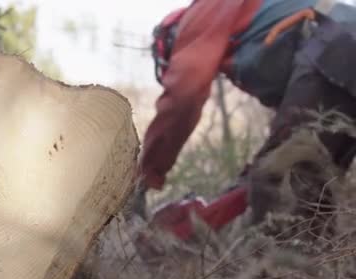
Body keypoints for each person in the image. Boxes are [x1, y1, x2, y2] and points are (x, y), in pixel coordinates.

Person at [139, 0, 356, 230]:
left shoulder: (200, 14)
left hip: (336, 46)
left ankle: (287, 264)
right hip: (337, 56)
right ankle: (320, 260)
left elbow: (183, 98)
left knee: (278, 184)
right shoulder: (256, 38)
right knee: (310, 186)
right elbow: (291, 125)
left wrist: (144, 176)